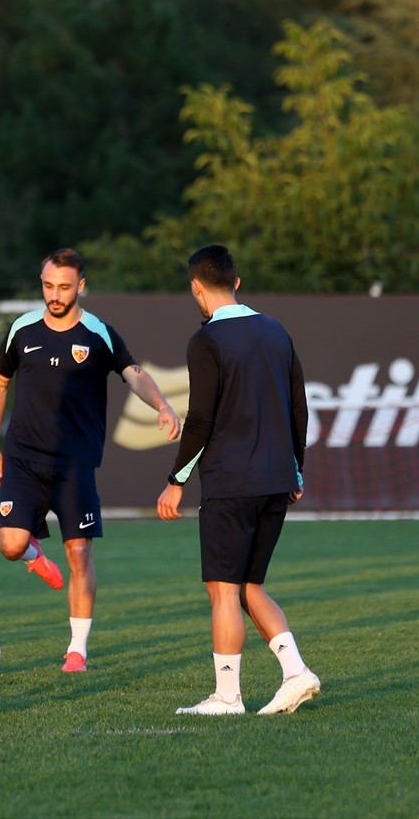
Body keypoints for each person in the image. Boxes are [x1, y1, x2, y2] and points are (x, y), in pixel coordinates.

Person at [0, 247, 180, 672]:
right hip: (22, 459)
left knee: (79, 552)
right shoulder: (22, 329)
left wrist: (162, 406)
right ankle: (36, 556)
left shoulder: (98, 334)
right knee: (10, 544)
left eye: (64, 287)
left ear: (81, 287)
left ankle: (77, 650)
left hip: (75, 464)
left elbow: (135, 375)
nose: (54, 295)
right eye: (48, 285)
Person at [156, 244, 319, 716]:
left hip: (232, 482)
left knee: (223, 590)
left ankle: (227, 697)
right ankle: (295, 673)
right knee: (250, 586)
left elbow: (201, 419)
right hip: (275, 480)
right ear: (237, 282)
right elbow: (298, 406)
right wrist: (296, 466)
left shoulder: (205, 340)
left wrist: (176, 478)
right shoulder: (275, 330)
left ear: (196, 288)